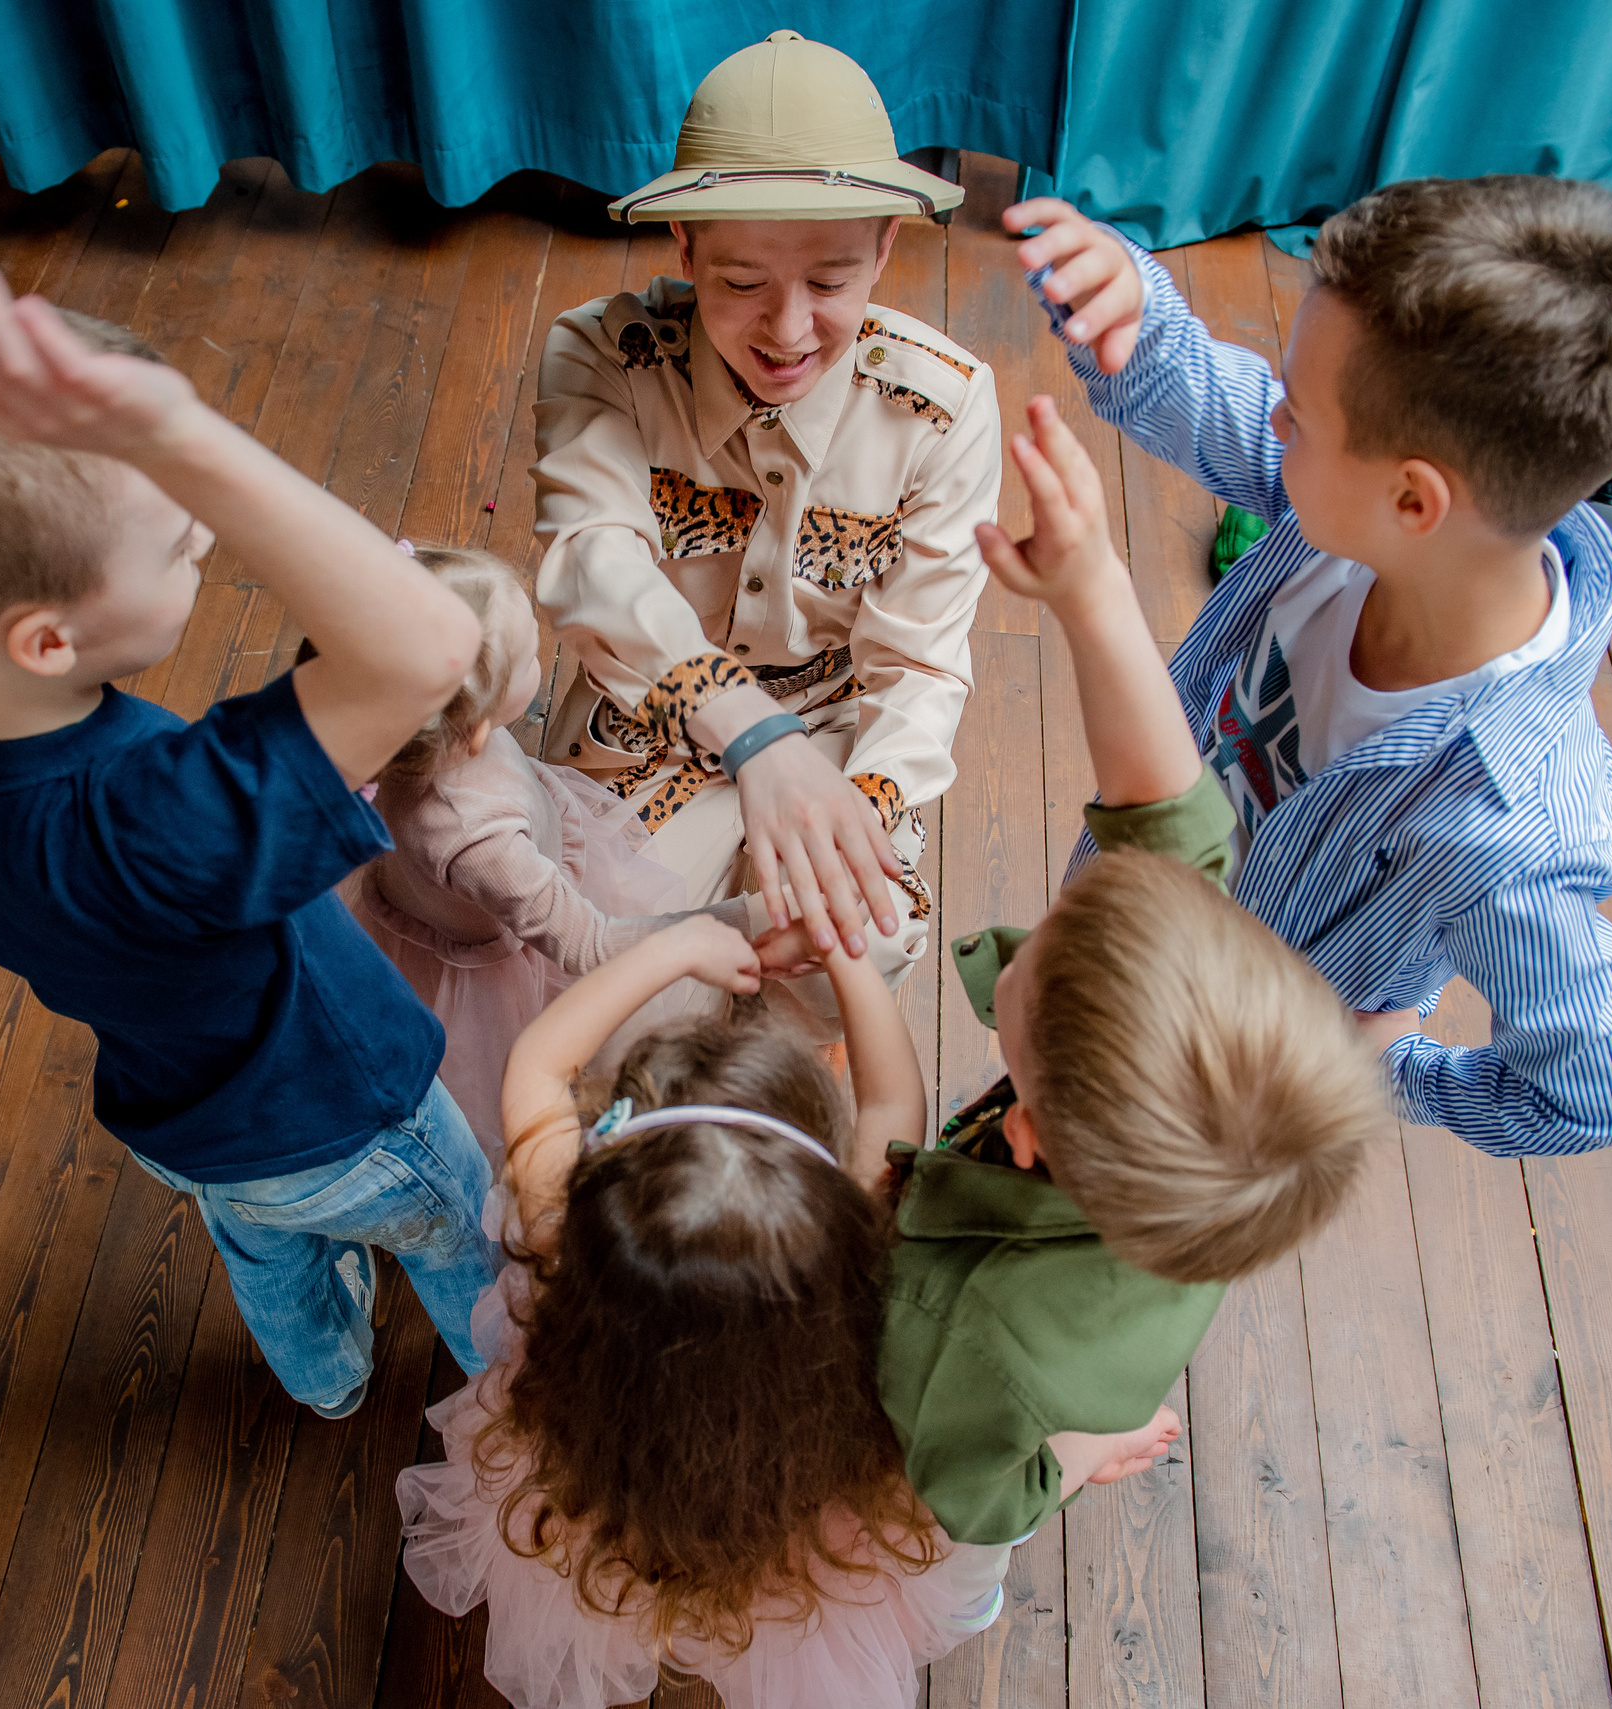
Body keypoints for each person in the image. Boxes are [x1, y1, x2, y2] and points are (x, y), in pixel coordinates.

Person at [0, 252, 498, 1421]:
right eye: (180, 540)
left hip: (182, 1117)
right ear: (44, 640)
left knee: (262, 1242)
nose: (205, 546)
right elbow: (429, 645)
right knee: (459, 1235)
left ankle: (324, 1377)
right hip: (353, 1117)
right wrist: (175, 433)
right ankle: (512, 1389)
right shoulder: (155, 820)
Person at [1017, 174, 1612, 1157]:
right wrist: (1133, 313)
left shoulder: (1510, 833)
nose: (1273, 422)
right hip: (1120, 933)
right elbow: (1214, 399)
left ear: (1414, 501)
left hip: (1207, 1092)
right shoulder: (1360, 519)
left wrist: (1382, 1066)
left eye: (1297, 413)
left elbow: (1590, 1094)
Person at [850, 398, 1385, 1550]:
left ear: (1026, 1126)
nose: (1038, 921)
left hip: (975, 1422)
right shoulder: (1190, 1085)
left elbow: (967, 1497)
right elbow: (1159, 805)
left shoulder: (974, 1333)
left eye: (1040, 947)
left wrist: (1082, 1454)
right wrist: (1089, 585)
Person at [396, 915, 1012, 1708]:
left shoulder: (565, 1245)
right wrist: (844, 949)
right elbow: (894, 1103)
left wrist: (674, 948)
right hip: (797, 1545)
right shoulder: (864, 1289)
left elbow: (539, 1065)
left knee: (642, 1595)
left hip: (612, 1496)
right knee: (788, 1626)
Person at [532, 29, 999, 1036]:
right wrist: (752, 736)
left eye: (829, 282)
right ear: (684, 246)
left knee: (855, 939)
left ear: (886, 247)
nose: (787, 332)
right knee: (592, 969)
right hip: (646, 724)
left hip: (836, 728)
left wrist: (852, 809)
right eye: (741, 283)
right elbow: (591, 562)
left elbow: (919, 667)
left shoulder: (946, 408)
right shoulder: (599, 354)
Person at [349, 543, 747, 1163]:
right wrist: (734, 923)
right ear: (476, 728)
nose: (544, 650)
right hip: (511, 950)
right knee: (584, 1046)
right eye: (530, 656)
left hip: (483, 877)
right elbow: (590, 945)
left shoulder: (406, 733)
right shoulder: (477, 836)